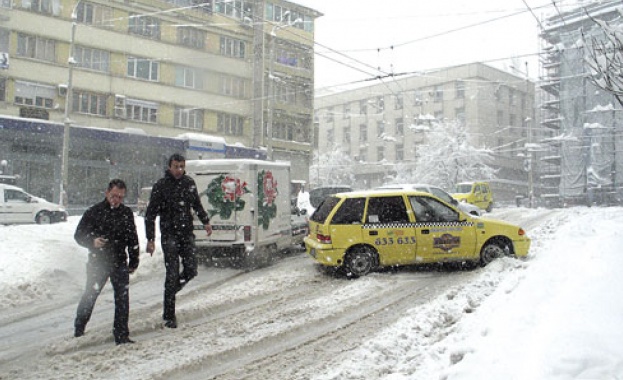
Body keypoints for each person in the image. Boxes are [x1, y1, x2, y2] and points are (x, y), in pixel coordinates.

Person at [145, 153, 212, 329]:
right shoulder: (161, 186)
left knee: (191, 269)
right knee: (172, 272)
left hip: (186, 233)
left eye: (182, 166)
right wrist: (150, 239)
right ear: (169, 167)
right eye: (176, 166)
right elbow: (150, 214)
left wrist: (206, 221)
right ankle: (169, 316)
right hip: (169, 235)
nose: (179, 170)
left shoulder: (189, 183)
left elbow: (196, 204)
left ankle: (171, 291)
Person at [74, 179, 140, 345]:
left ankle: (121, 334)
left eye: (120, 197)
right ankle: (79, 329)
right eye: (113, 196)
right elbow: (78, 235)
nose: (116, 200)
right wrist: (92, 241)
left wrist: (134, 260)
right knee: (90, 295)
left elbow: (133, 238)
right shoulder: (94, 212)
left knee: (122, 299)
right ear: (107, 193)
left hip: (119, 262)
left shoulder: (126, 213)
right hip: (98, 262)